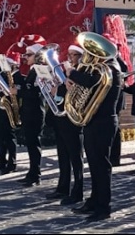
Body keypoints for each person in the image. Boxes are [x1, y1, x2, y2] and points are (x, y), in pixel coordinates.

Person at [68, 32, 122, 222]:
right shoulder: (102, 68)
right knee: (94, 164)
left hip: (104, 122)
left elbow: (91, 83)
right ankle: (94, 201)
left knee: (101, 166)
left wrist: (73, 73)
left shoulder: (110, 69)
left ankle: (104, 207)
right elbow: (88, 86)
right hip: (93, 120)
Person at [45, 44, 85, 205]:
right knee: (63, 156)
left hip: (73, 120)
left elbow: (76, 93)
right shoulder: (68, 71)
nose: (69, 58)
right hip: (61, 118)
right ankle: (63, 187)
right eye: (68, 54)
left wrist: (58, 90)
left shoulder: (81, 72)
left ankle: (78, 191)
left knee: (76, 158)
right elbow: (63, 92)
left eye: (73, 55)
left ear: (81, 56)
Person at [11, 35, 47, 187]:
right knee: (31, 144)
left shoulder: (40, 70)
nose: (26, 57)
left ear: (38, 55)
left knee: (34, 144)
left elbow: (36, 93)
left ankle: (35, 175)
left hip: (35, 113)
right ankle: (31, 173)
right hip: (29, 112)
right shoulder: (32, 70)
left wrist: (18, 92)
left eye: (29, 54)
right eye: (25, 54)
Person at [0, 51, 20, 175]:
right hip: (1, 107)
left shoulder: (16, 76)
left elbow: (16, 93)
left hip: (11, 108)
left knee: (10, 136)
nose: (2, 65)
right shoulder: (3, 75)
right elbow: (0, 90)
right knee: (2, 136)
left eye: (6, 63)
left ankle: (12, 163)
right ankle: (2, 161)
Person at [103, 33, 129, 167]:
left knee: (115, 129)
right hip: (107, 98)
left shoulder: (117, 60)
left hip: (116, 99)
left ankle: (115, 157)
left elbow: (124, 72)